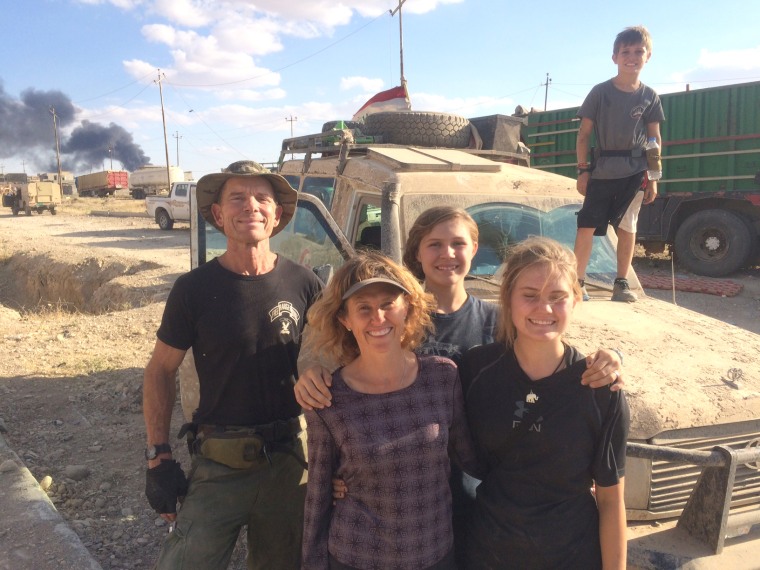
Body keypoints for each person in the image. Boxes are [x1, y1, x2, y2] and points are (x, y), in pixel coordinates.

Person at [295, 206, 623, 567]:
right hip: (400, 505)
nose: (447, 254)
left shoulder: (500, 324)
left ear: (474, 247)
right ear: (416, 252)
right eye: (434, 244)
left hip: (469, 501)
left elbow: (548, 344)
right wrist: (310, 369)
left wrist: (612, 357)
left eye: (457, 243)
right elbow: (335, 350)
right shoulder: (390, 313)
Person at [142, 160, 323, 569]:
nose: (251, 207)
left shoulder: (306, 284)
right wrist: (159, 457)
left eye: (262, 198)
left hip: (290, 462)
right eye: (237, 198)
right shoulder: (193, 290)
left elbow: (331, 361)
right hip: (220, 461)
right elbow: (159, 371)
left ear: (277, 214)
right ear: (219, 214)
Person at [301, 251, 480, 569]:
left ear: (408, 306)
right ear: (345, 319)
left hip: (434, 553)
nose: (378, 318)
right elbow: (318, 494)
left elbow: (472, 459)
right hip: (357, 558)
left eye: (388, 304)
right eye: (364, 308)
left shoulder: (442, 376)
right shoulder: (328, 398)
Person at [461, 236, 629, 569]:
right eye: (530, 296)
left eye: (558, 297)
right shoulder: (474, 371)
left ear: (576, 300)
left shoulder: (600, 388)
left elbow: (611, 501)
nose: (544, 309)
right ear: (508, 299)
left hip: (572, 555)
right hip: (488, 553)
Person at [574, 25, 665, 303]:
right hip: (602, 171)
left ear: (648, 56)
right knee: (587, 226)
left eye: (639, 51)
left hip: (635, 172)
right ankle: (577, 282)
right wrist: (582, 170)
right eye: (626, 51)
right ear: (615, 57)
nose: (632, 57)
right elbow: (583, 134)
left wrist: (654, 177)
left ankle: (621, 283)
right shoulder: (600, 92)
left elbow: (654, 139)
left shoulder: (650, 96)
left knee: (628, 226)